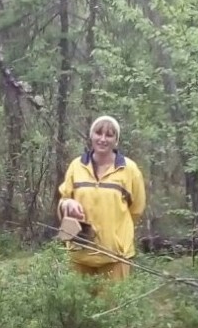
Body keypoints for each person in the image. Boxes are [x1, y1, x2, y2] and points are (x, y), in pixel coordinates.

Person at [58, 115, 146, 280]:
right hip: (80, 253)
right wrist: (67, 204)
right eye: (99, 133)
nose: (103, 139)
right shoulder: (76, 166)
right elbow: (63, 200)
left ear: (116, 140)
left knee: (113, 305)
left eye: (109, 135)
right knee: (77, 304)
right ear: (91, 136)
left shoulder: (129, 170)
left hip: (114, 256)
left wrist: (116, 235)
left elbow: (136, 210)